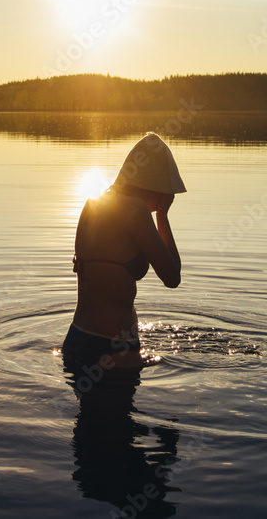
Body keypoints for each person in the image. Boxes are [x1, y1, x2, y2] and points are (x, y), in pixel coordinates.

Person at [62, 133, 185, 369]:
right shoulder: (136, 210)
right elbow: (172, 277)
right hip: (113, 350)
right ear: (156, 188)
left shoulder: (93, 204)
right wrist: (162, 215)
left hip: (76, 339)